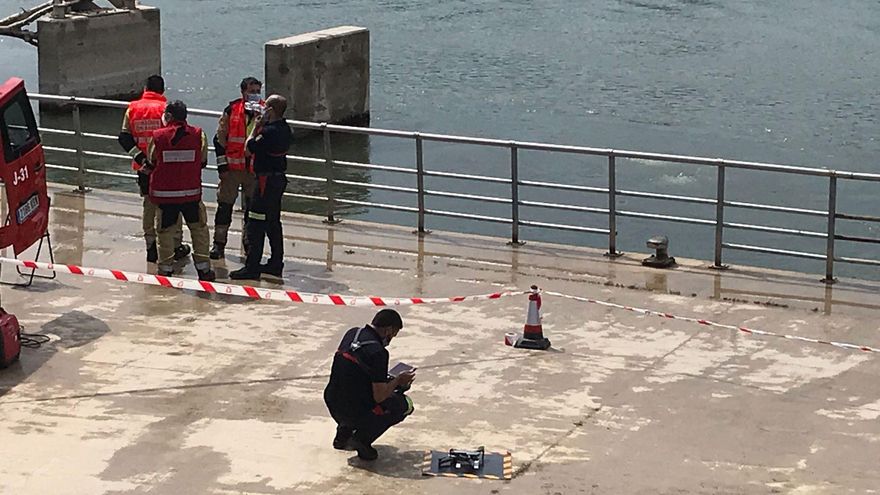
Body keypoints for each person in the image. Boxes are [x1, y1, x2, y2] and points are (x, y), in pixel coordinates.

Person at [323, 309, 416, 461]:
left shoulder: (352, 333)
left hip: (332, 401)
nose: (391, 339)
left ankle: (343, 433)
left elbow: (356, 372)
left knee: (352, 391)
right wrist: (398, 381)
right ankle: (362, 439)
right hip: (355, 409)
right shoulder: (379, 353)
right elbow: (379, 396)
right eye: (393, 334)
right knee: (404, 405)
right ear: (389, 330)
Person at [118, 74, 189, 263]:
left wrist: (141, 159)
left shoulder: (132, 108)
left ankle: (150, 246)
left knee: (149, 206)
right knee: (171, 206)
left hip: (143, 168)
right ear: (163, 90)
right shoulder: (166, 109)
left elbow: (124, 138)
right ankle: (175, 245)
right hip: (166, 167)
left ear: (145, 88)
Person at [142, 100, 216, 281]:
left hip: (165, 195)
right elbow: (203, 161)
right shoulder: (199, 135)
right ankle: (204, 270)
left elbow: (151, 161)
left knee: (165, 233)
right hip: (190, 193)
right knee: (198, 230)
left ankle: (165, 270)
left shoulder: (158, 136)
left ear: (168, 116)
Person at [229, 95, 292, 281]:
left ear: (271, 110)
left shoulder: (268, 132)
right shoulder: (285, 129)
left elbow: (248, 148)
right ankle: (275, 263)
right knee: (273, 222)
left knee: (255, 222)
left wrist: (255, 128)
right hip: (278, 180)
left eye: (266, 106)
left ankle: (252, 267)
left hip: (265, 182)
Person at [210, 77, 262, 260]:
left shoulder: (264, 112)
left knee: (252, 211)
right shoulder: (231, 110)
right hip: (231, 169)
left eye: (257, 91)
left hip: (254, 171)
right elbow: (219, 140)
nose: (255, 95)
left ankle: (249, 245)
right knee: (224, 207)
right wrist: (222, 166)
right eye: (251, 91)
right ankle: (218, 244)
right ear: (243, 92)